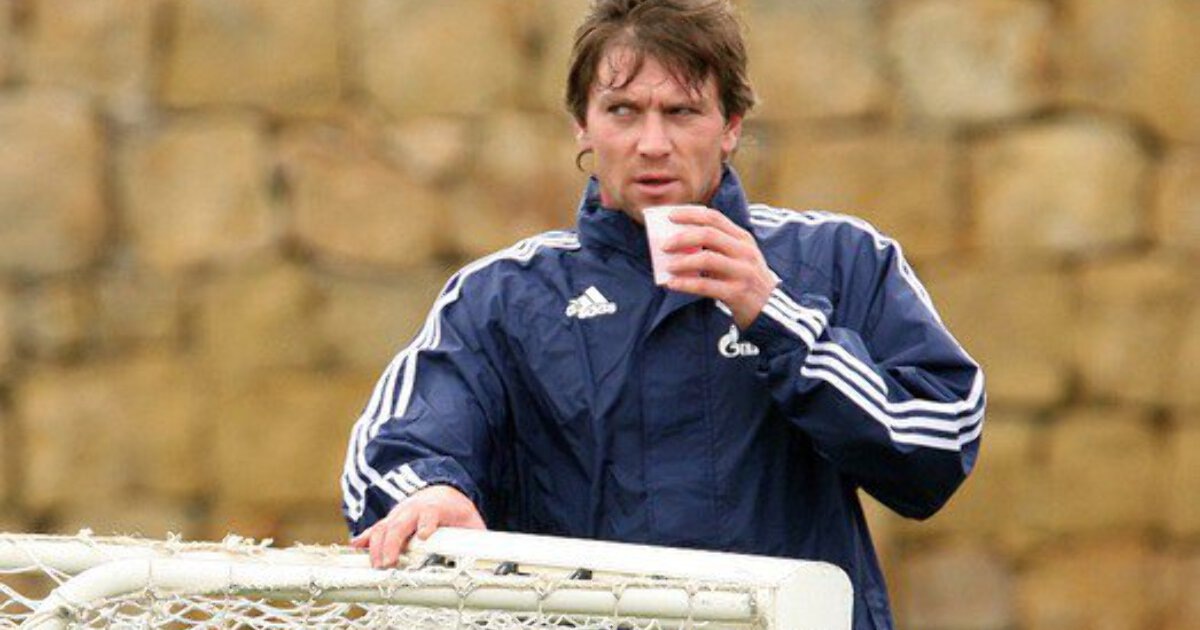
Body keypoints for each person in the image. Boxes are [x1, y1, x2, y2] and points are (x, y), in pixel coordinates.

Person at [341, 1, 984, 628]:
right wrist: (429, 493)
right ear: (583, 125)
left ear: (730, 125)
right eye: (623, 111)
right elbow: (396, 450)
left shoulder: (841, 259)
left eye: (682, 112)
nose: (652, 144)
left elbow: (940, 446)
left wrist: (776, 317)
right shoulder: (500, 297)